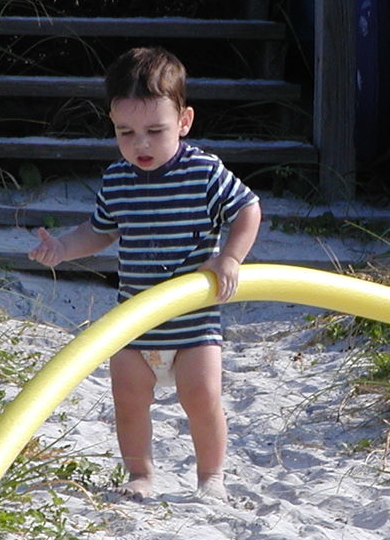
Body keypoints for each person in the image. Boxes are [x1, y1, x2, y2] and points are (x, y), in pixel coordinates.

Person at [28, 47, 262, 502]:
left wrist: (230, 258)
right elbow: (98, 233)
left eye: (156, 131)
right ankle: (141, 476)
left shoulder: (205, 173)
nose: (141, 145)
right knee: (129, 401)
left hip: (194, 322)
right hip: (134, 324)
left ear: (185, 121)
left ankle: (210, 476)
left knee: (201, 398)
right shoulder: (118, 178)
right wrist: (61, 248)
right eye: (126, 132)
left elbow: (248, 210)